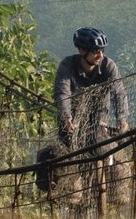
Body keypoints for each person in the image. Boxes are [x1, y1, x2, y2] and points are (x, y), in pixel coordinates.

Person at [37, 27, 129, 206]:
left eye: (102, 51)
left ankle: (115, 191)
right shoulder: (67, 66)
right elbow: (62, 93)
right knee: (52, 156)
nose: (100, 55)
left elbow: (119, 93)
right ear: (81, 51)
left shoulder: (108, 66)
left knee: (112, 154)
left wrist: (122, 119)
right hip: (70, 126)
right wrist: (66, 117)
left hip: (98, 125)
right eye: (95, 51)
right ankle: (67, 191)